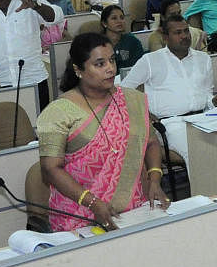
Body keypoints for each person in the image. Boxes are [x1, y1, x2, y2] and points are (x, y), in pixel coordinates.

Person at [37, 32, 168, 232]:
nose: (110, 68)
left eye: (112, 60)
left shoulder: (132, 99)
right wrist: (92, 203)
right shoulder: (58, 112)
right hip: (79, 215)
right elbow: (50, 169)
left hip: (133, 211)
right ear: (78, 70)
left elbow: (150, 142)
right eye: (100, 64)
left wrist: (155, 179)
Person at [120, 15, 217, 166]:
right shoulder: (150, 60)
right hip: (171, 124)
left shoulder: (203, 58)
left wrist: (213, 101)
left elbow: (207, 92)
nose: (185, 36)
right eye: (178, 33)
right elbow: (123, 91)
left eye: (186, 31)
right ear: (166, 37)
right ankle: (207, 188)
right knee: (201, 149)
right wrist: (143, 112)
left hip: (203, 118)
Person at [98, 5, 144, 70]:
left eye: (122, 18)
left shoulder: (132, 41)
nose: (119, 21)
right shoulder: (97, 44)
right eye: (114, 18)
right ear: (104, 23)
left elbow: (141, 66)